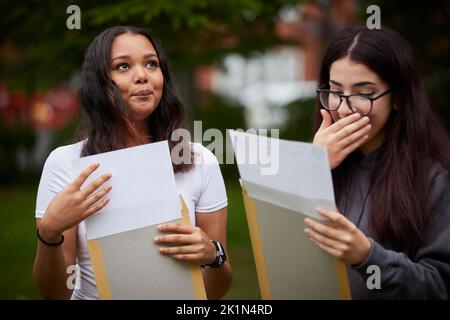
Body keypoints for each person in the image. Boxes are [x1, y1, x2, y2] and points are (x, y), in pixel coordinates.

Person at [32, 26, 233, 300]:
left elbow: (213, 293)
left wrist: (213, 256)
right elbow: (55, 294)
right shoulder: (66, 164)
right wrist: (49, 231)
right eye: (123, 66)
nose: (142, 76)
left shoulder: (200, 161)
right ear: (99, 83)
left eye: (151, 64)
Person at [306, 25, 450, 299]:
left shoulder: (437, 176)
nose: (344, 109)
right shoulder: (323, 162)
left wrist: (368, 257)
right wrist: (311, 167)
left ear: (397, 98)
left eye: (364, 93)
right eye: (335, 91)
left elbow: (439, 286)